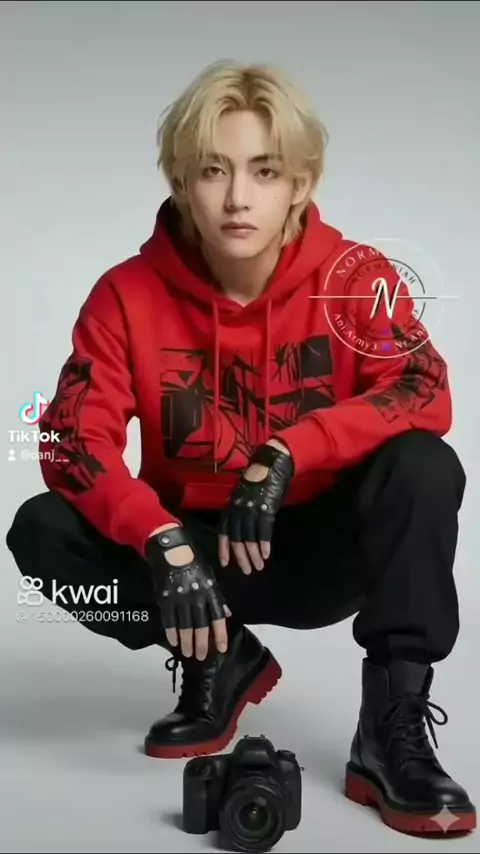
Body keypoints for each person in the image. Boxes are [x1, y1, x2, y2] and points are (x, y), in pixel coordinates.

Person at [6, 59, 476, 836]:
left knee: (425, 464)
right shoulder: (125, 295)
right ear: (181, 182)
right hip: (197, 567)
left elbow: (424, 389)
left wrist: (289, 450)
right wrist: (160, 540)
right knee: (43, 529)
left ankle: (390, 729)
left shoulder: (355, 279)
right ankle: (220, 661)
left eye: (264, 171)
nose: (236, 198)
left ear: (300, 183)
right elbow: (72, 441)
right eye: (212, 170)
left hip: (324, 552)